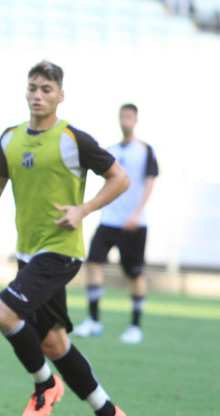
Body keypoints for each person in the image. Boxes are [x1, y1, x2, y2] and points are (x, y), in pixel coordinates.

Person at [0, 61, 131, 416]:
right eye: (33, 87)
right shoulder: (9, 138)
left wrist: (83, 210)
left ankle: (45, 384)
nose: (38, 94)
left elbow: (120, 178)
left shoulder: (72, 139)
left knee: (3, 313)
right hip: (28, 253)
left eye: (47, 89)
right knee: (53, 343)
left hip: (60, 251)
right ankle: (107, 414)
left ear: (60, 96)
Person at [74, 103, 159, 344]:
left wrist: (136, 213)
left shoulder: (145, 150)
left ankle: (135, 325)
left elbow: (150, 183)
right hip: (109, 220)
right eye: (123, 116)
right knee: (92, 263)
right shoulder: (110, 150)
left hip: (133, 223)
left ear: (136, 119)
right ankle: (93, 320)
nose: (125, 120)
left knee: (134, 274)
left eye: (129, 116)